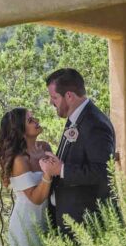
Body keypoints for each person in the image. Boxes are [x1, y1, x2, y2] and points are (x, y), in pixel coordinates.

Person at [39, 67, 116, 236]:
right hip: (69, 219)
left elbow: (103, 171)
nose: (51, 102)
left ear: (69, 96)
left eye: (54, 97)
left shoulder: (95, 123)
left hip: (85, 223)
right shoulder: (75, 118)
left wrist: (61, 170)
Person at [0, 107, 55, 246]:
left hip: (47, 219)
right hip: (26, 226)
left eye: (33, 117)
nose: (36, 121)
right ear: (20, 131)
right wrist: (48, 172)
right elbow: (36, 198)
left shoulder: (45, 147)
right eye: (30, 120)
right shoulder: (19, 160)